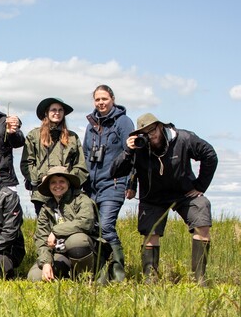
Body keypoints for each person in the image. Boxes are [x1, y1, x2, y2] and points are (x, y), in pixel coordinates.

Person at [111, 113, 218, 285]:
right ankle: (150, 279)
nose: (150, 135)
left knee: (202, 213)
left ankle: (199, 279)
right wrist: (128, 151)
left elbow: (209, 155)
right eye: (144, 133)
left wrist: (200, 186)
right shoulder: (138, 148)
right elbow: (115, 172)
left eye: (152, 130)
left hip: (184, 192)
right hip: (153, 197)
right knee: (150, 233)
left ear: (161, 127)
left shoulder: (183, 138)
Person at [82, 85, 135, 283]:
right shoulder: (91, 124)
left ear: (112, 98)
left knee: (106, 226)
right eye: (97, 100)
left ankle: (119, 274)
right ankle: (101, 274)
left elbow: (132, 153)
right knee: (94, 228)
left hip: (113, 184)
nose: (101, 103)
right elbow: (87, 153)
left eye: (104, 99)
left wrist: (131, 183)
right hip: (91, 186)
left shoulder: (123, 122)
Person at [28, 166, 99, 282]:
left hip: (85, 250)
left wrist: (56, 232)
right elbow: (41, 238)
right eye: (53, 182)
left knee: (76, 241)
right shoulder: (46, 208)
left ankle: (86, 277)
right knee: (35, 277)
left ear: (68, 183)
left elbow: (85, 222)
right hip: (59, 253)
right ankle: (68, 275)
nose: (57, 185)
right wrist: (46, 262)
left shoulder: (82, 199)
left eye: (62, 181)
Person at [20, 97, 88, 216]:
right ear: (46, 112)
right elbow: (26, 164)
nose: (57, 113)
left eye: (60, 110)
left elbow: (81, 166)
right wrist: (43, 178)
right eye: (53, 110)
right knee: (45, 230)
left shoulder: (73, 137)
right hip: (42, 194)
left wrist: (68, 180)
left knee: (68, 229)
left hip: (69, 195)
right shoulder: (34, 136)